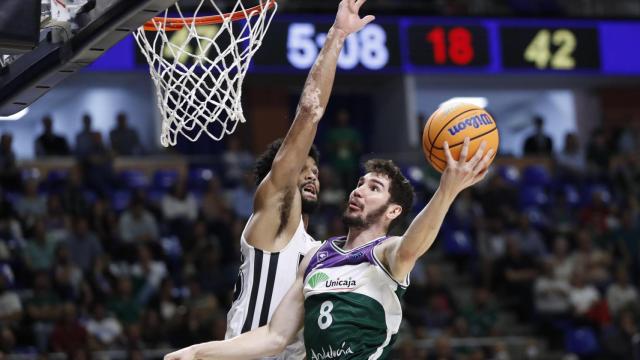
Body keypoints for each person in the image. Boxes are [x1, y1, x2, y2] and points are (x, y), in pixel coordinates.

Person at [164, 132, 493, 359]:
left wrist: (447, 190)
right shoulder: (315, 257)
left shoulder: (386, 253)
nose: (359, 191)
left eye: (374, 188)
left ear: (393, 211)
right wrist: (198, 351)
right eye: (360, 183)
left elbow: (411, 247)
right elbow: (274, 337)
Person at [221, 0, 367, 356]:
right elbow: (310, 111)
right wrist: (337, 36)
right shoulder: (273, 212)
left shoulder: (313, 250)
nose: (313, 176)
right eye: (304, 169)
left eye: (316, 172)